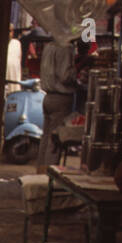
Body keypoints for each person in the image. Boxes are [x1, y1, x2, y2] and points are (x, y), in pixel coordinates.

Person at [37, 38, 80, 172]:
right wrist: (79, 68)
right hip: (60, 98)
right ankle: (47, 175)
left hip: (48, 97)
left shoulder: (49, 46)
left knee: (46, 138)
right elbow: (65, 76)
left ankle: (40, 171)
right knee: (54, 141)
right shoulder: (66, 47)